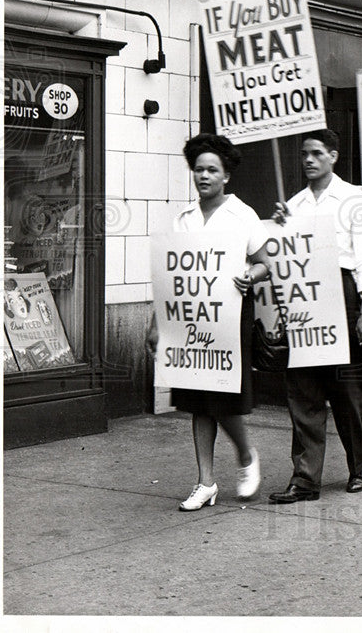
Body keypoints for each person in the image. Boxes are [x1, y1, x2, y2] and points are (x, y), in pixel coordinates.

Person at [146, 133, 271, 511]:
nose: (203, 176)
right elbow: (172, 281)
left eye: (211, 170)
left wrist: (251, 275)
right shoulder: (183, 219)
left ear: (225, 176)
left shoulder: (243, 214)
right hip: (188, 320)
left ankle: (247, 456)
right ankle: (206, 482)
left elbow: (266, 263)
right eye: (198, 169)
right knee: (198, 402)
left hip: (229, 318)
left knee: (223, 400)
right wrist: (157, 324)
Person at [268, 128, 362, 501]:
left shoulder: (352, 198)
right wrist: (279, 226)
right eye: (304, 154)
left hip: (343, 291)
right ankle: (305, 478)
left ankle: (357, 467)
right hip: (305, 296)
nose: (309, 160)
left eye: (316, 153)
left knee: (347, 390)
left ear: (333, 156)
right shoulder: (295, 204)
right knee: (303, 389)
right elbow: (285, 258)